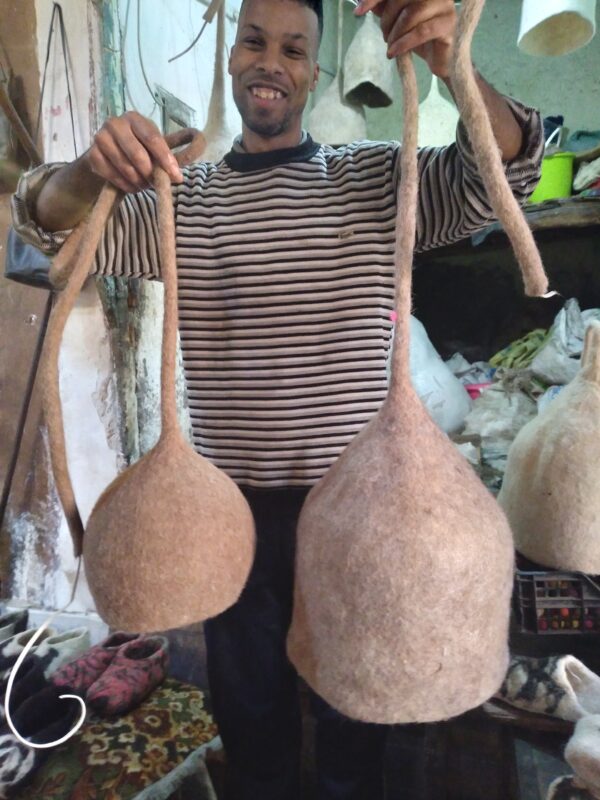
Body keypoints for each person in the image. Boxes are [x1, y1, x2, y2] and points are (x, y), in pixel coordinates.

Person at [12, 0, 543, 797]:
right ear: (231, 58)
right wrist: (88, 170)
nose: (271, 61)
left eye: (294, 49)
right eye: (254, 41)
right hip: (228, 511)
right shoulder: (181, 203)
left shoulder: (374, 178)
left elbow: (510, 172)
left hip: (361, 510)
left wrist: (450, 64)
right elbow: (44, 230)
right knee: (249, 702)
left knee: (356, 705)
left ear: (314, 72)